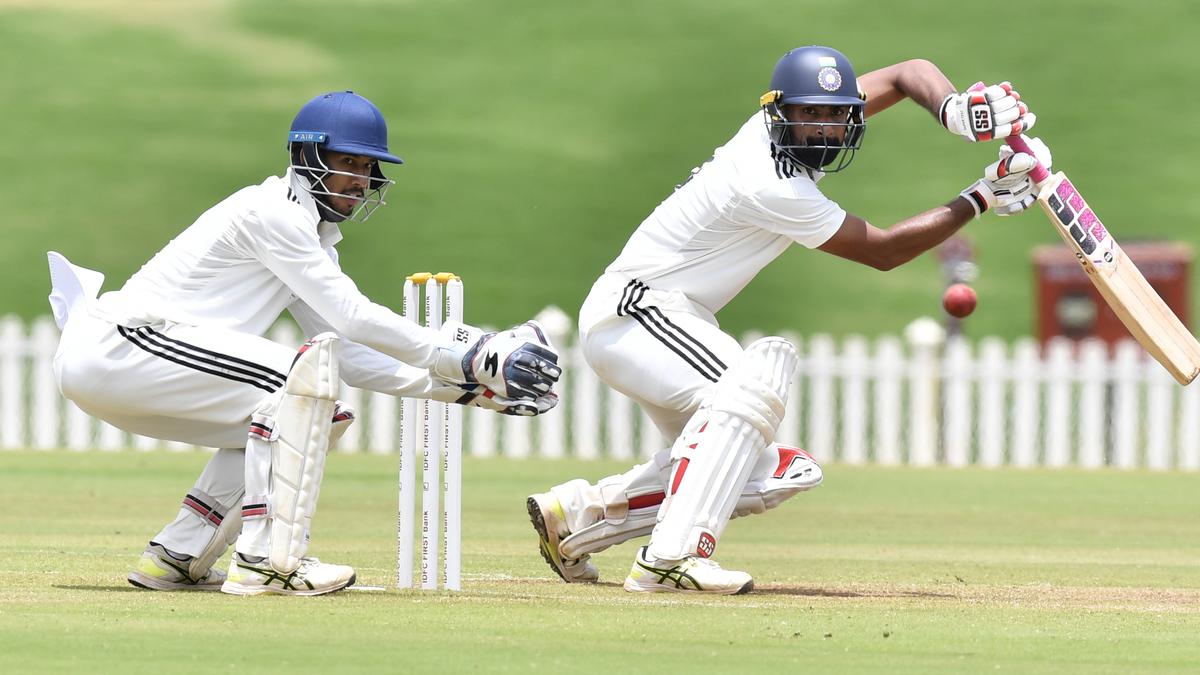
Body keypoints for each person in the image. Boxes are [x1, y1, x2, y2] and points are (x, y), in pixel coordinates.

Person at [526, 46, 1050, 594]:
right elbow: (884, 251)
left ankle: (579, 516)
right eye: (810, 115)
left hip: (669, 319)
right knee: (751, 385)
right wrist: (982, 196)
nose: (823, 130)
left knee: (773, 472)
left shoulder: (791, 137)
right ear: (780, 113)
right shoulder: (769, 181)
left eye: (834, 116)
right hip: (637, 311)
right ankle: (670, 559)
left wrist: (955, 110)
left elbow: (905, 72)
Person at [48, 90, 562, 596]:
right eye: (348, 163)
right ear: (306, 155)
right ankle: (268, 561)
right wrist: (473, 352)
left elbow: (347, 351)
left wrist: (462, 389)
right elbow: (353, 316)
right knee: (300, 392)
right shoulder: (269, 213)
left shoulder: (307, 236)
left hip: (125, 364)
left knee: (296, 412)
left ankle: (178, 553)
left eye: (369, 168)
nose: (361, 181)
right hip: (125, 345)